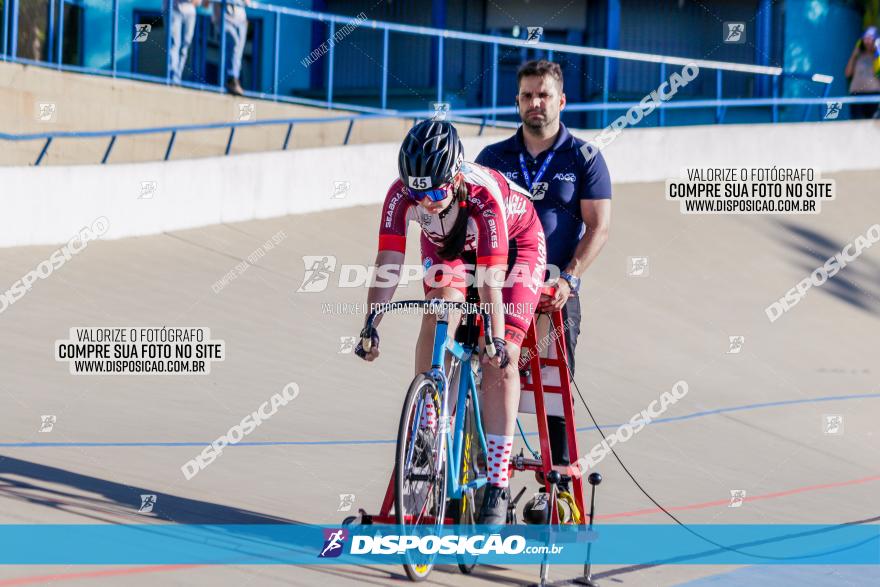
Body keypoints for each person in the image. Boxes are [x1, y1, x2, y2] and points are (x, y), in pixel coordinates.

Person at [355, 120, 547, 524]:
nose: (426, 202)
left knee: (502, 357)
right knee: (439, 310)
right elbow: (388, 263)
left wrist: (496, 340)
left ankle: (496, 482)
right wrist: (370, 324)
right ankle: (427, 424)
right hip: (451, 244)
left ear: (456, 174)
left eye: (437, 192)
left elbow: (493, 285)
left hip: (514, 245)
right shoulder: (401, 196)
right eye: (418, 193)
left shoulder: (483, 198)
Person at [476, 60, 612, 487]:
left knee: (552, 388)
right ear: (517, 102)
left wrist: (569, 278)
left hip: (553, 291)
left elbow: (599, 227)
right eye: (527, 95)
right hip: (499, 288)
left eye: (544, 95)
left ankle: (554, 486)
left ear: (561, 101)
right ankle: (480, 471)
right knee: (489, 371)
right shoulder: (492, 157)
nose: (536, 103)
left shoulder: (585, 157)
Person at [213, 0, 250, 95]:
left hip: (240, 20)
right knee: (233, 45)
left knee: (238, 52)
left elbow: (247, 2)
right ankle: (231, 79)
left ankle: (233, 78)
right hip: (225, 18)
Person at [844, 27, 880, 119]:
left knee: (873, 126)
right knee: (857, 127)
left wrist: (877, 53)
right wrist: (854, 55)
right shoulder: (858, 56)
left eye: (870, 39)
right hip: (856, 95)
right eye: (865, 39)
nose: (867, 42)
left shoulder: (878, 57)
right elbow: (847, 73)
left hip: (874, 96)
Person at [169, 0, 202, 85]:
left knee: (185, 46)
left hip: (190, 12)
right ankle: (172, 76)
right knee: (174, 44)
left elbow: (199, 2)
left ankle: (177, 76)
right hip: (174, 9)